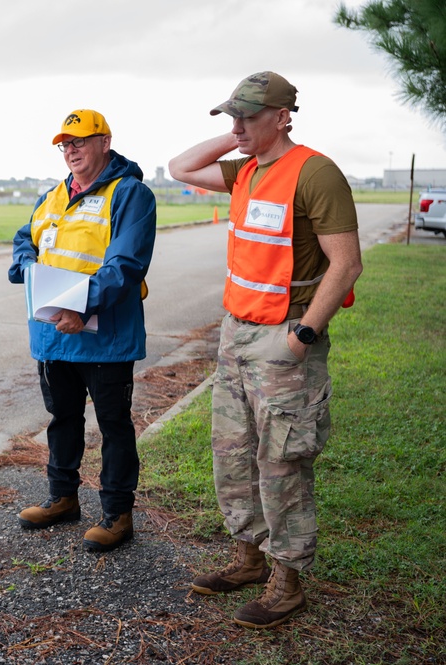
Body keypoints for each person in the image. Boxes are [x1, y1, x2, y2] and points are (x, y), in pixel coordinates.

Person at [167, 71, 363, 629]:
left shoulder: (316, 173)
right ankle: (250, 557)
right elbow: (180, 168)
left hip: (285, 336)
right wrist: (241, 136)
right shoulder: (247, 169)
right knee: (232, 455)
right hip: (236, 334)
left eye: (250, 116)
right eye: (233, 116)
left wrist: (303, 337)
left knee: (282, 461)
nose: (238, 127)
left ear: (284, 116)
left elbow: (346, 263)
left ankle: (288, 580)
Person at [8, 109, 156, 552]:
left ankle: (117, 513)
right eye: (64, 144)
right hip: (53, 336)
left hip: (104, 337)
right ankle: (63, 498)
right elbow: (22, 241)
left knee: (113, 425)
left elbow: (126, 264)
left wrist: (81, 305)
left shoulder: (131, 194)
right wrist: (26, 267)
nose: (71, 150)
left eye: (79, 141)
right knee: (63, 420)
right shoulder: (52, 196)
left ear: (104, 142)